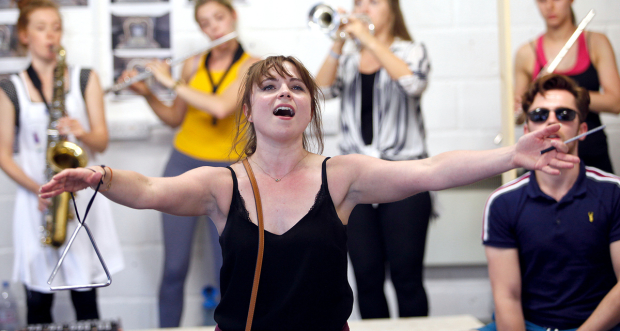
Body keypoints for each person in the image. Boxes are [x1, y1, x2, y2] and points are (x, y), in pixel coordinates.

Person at [42, 55, 578, 331]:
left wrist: (511, 155)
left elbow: (430, 169)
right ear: (249, 109)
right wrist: (102, 177)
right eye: (269, 85)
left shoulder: (342, 176)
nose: (285, 92)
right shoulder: (221, 183)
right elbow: (152, 188)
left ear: (308, 111)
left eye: (297, 86)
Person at [117, 0, 258, 327]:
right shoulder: (193, 64)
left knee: (227, 267)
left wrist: (170, 83)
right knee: (174, 266)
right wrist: (147, 93)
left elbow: (222, 107)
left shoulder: (254, 65)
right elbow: (174, 118)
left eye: (219, 18)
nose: (214, 28)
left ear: (233, 17)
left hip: (229, 172)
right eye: (205, 23)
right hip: (183, 164)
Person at [0, 0, 124, 324]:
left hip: (81, 199)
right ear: (24, 35)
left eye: (56, 27)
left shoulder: (85, 77)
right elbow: (2, 155)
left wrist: (82, 131)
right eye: (41, 28)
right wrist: (41, 189)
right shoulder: (9, 86)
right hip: (38, 199)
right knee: (38, 302)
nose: (50, 35)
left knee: (87, 298)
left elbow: (102, 141)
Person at [315, 0, 432, 318]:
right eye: (358, 2)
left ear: (392, 9)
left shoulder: (411, 50)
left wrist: (368, 40)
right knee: (366, 279)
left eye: (373, 2)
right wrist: (339, 43)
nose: (363, 8)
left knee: (407, 278)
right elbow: (318, 93)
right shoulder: (349, 61)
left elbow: (413, 83)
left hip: (405, 174)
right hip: (357, 179)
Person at [479, 74, 620, 331]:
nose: (552, 121)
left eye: (565, 114)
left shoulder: (614, 193)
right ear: (527, 131)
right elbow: (506, 297)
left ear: (583, 130)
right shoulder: (503, 202)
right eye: (539, 115)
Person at [514, 0, 620, 173]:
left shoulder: (597, 43)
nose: (549, 6)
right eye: (542, 1)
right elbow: (519, 117)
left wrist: (564, 92)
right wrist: (522, 106)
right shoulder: (526, 53)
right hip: (544, 156)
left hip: (590, 151)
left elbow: (616, 103)